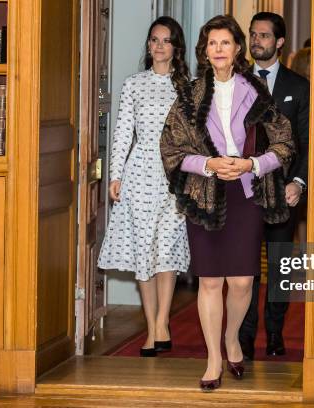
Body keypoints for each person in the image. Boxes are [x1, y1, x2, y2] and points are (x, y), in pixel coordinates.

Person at [160, 15, 294, 391]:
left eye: (225, 43)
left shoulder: (257, 92)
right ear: (205, 51)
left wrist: (252, 163)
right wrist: (207, 164)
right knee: (209, 281)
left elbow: (285, 144)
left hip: (246, 194)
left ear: (238, 49)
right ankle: (214, 358)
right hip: (205, 194)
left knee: (240, 281)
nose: (218, 49)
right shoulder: (189, 95)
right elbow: (169, 149)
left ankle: (232, 337)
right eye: (212, 43)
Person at [97, 16, 190, 358]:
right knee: (144, 253)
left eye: (166, 40)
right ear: (149, 45)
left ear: (176, 47)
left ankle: (163, 322)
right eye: (154, 40)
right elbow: (122, 133)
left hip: (174, 177)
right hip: (138, 175)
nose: (159, 45)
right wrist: (115, 175)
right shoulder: (134, 84)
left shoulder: (188, 87)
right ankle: (151, 327)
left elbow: (194, 139)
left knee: (166, 250)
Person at [239, 12, 310, 361]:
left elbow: (307, 141)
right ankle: (246, 336)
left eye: (264, 36)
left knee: (280, 266)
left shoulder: (298, 87)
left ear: (279, 42)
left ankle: (276, 333)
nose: (257, 41)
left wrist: (299, 182)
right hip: (244, 193)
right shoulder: (235, 83)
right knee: (246, 268)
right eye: (253, 35)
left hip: (284, 191)